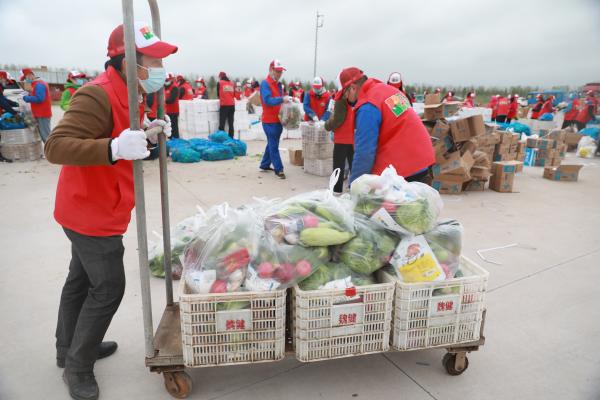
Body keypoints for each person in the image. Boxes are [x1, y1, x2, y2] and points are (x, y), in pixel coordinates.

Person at [44, 21, 176, 400]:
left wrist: (146, 132)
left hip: (102, 206)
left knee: (79, 281)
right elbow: (56, 146)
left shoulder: (132, 94)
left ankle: (65, 348)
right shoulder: (97, 94)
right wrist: (113, 148)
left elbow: (125, 134)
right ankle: (78, 366)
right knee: (108, 288)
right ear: (127, 60)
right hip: (90, 212)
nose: (158, 68)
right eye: (152, 59)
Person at [336, 67, 434, 184]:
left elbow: (365, 153)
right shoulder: (388, 91)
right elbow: (401, 122)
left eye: (345, 94)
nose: (346, 98)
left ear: (352, 88)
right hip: (422, 161)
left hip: (404, 171)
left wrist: (355, 185)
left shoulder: (367, 106)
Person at [259, 59, 290, 179]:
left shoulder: (278, 85)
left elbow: (280, 101)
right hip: (268, 121)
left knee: (272, 143)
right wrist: (282, 99)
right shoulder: (265, 84)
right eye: (277, 71)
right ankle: (279, 169)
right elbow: (267, 100)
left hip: (278, 120)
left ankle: (264, 164)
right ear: (271, 70)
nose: (279, 74)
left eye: (281, 71)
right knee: (273, 144)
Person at [324, 89, 354, 194]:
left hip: (342, 139)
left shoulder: (341, 100)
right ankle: (354, 189)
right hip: (352, 139)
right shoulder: (356, 99)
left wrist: (327, 125)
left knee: (338, 167)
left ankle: (336, 191)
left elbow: (337, 119)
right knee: (353, 166)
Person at [21, 67, 53, 143]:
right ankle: (51, 152)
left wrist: (26, 98)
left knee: (46, 136)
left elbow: (40, 99)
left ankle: (55, 152)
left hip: (42, 114)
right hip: (39, 113)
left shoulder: (39, 85)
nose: (26, 80)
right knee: (44, 135)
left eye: (25, 78)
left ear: (30, 75)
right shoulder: (36, 84)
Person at [217, 71, 235, 138]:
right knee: (231, 123)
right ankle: (231, 138)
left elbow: (218, 94)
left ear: (220, 77)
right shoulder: (231, 83)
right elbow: (234, 94)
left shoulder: (220, 83)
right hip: (232, 105)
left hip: (224, 105)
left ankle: (221, 138)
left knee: (222, 123)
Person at [164, 73, 180, 138]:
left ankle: (175, 139)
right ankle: (171, 138)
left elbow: (171, 100)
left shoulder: (174, 88)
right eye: (165, 80)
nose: (166, 82)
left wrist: (163, 101)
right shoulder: (164, 87)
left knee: (174, 127)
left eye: (167, 80)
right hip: (167, 111)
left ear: (170, 80)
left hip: (173, 111)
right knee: (169, 127)